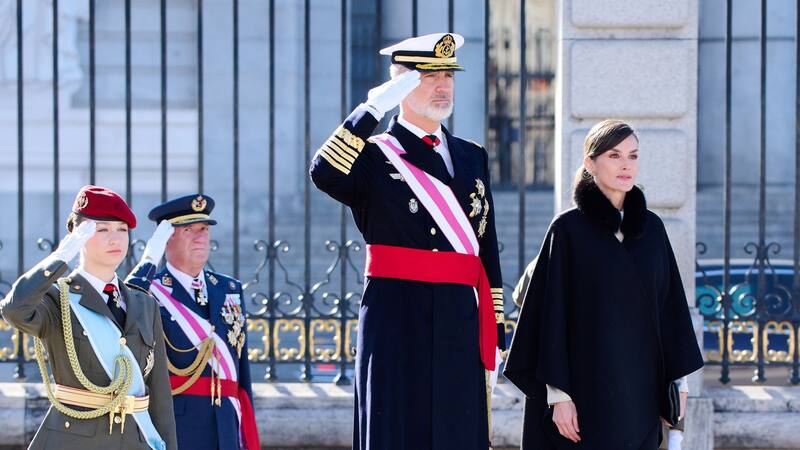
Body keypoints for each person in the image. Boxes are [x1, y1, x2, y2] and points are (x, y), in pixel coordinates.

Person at [309, 32, 506, 450]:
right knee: (397, 429)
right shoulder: (374, 154)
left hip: (458, 317)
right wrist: (370, 110)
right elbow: (323, 172)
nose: (443, 85)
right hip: (396, 315)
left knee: (458, 430)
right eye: (429, 75)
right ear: (399, 84)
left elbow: (484, 242)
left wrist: (496, 322)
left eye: (449, 75)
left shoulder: (472, 155)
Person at [503, 119, 704, 449]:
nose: (626, 165)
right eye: (614, 155)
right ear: (590, 162)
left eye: (633, 155)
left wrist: (677, 385)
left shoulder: (651, 230)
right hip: (582, 396)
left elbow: (670, 312)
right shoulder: (568, 230)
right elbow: (549, 318)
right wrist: (559, 397)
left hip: (639, 394)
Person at [0, 185, 177, 450]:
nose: (115, 240)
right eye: (101, 230)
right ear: (78, 237)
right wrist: (60, 258)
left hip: (137, 439)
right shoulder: (56, 299)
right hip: (75, 441)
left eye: (121, 230)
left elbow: (160, 396)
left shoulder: (144, 304)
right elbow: (14, 310)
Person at [125, 194, 259, 450]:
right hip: (178, 424)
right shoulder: (149, 291)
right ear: (167, 240)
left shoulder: (229, 288)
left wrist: (246, 428)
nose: (201, 237)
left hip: (227, 422)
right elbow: (126, 307)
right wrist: (148, 262)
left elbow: (241, 371)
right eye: (189, 230)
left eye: (204, 229)